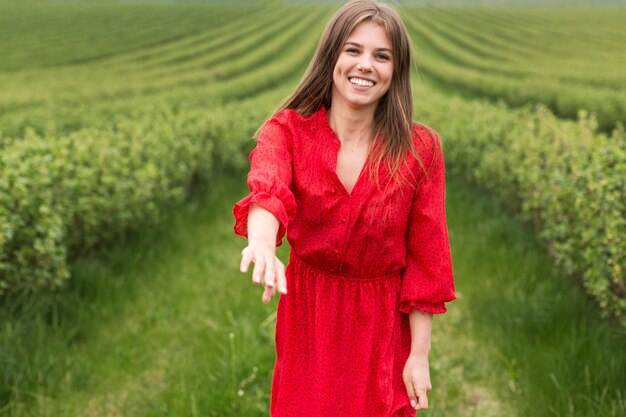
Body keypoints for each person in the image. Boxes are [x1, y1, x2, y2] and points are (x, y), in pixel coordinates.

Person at [232, 1, 455, 415]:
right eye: (353, 50)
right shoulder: (288, 132)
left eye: (381, 55)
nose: (366, 64)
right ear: (332, 56)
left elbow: (428, 261)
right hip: (310, 319)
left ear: (396, 71)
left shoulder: (420, 150)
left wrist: (419, 356)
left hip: (382, 325)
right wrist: (262, 243)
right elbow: (269, 189)